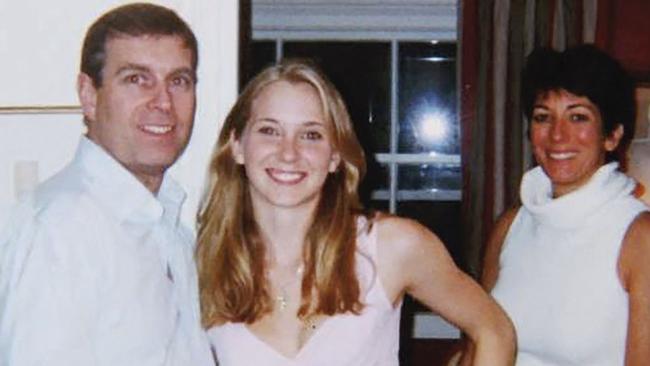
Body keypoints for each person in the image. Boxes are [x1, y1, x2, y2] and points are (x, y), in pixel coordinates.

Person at [196, 59, 515, 365]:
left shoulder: (390, 246)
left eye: (311, 135)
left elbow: (494, 330)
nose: (288, 152)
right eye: (269, 130)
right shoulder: (201, 263)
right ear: (237, 145)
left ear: (334, 155)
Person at [0, 3, 213, 365]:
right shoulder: (62, 230)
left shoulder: (169, 231)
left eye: (178, 81)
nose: (163, 102)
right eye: (136, 79)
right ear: (89, 94)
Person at [481, 45, 650, 365]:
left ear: (612, 136)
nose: (558, 135)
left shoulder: (639, 237)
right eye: (543, 117)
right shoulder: (510, 226)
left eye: (578, 117)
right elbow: (479, 345)